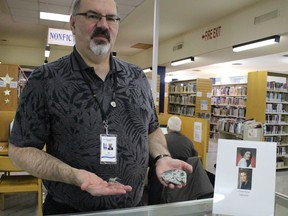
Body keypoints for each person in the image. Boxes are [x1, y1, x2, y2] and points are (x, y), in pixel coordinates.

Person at [8, 0, 192, 215]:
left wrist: (162, 157)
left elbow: (151, 129)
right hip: (69, 208)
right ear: (73, 23)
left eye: (111, 18)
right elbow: (20, 150)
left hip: (133, 207)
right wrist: (74, 175)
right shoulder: (46, 79)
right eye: (93, 16)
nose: (104, 25)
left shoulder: (137, 77)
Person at [148, 116, 213, 205]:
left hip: (161, 183)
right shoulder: (188, 142)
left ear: (167, 127)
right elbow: (194, 161)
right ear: (180, 128)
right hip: (182, 187)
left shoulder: (160, 142)